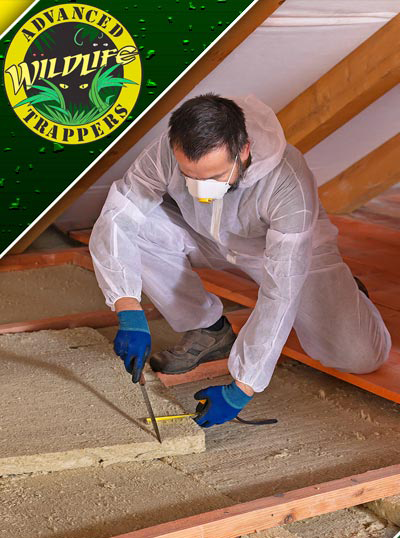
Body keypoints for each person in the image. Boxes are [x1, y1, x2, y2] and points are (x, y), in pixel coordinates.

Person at [89, 93, 391, 428]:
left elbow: (281, 290)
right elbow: (119, 217)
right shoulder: (166, 151)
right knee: (137, 223)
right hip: (204, 235)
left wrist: (242, 387)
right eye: (190, 175)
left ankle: (350, 296)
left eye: (215, 177)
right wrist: (127, 306)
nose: (201, 189)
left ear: (243, 150)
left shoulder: (287, 180)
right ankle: (208, 329)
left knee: (359, 355)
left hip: (282, 252)